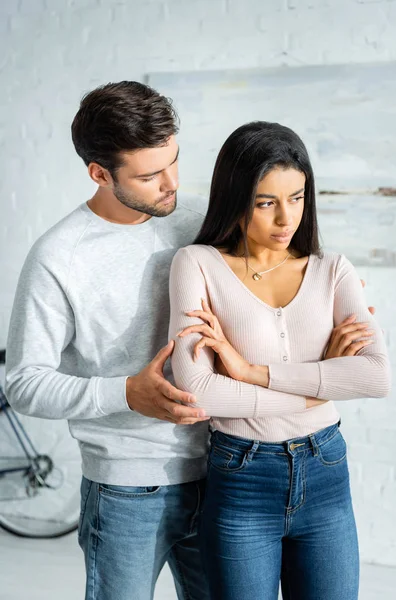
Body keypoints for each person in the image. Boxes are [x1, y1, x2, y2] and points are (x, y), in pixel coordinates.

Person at [5, 81, 211, 600]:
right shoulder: (58, 255)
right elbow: (25, 383)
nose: (171, 184)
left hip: (226, 469)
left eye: (174, 161)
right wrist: (124, 393)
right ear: (100, 173)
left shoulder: (200, 221)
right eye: (148, 175)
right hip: (126, 489)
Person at [168, 121, 391, 600]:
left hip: (325, 468)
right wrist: (323, 385)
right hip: (242, 476)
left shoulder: (333, 270)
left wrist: (252, 374)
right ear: (235, 197)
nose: (285, 218)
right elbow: (200, 391)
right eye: (267, 202)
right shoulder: (197, 264)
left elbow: (375, 376)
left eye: (297, 197)